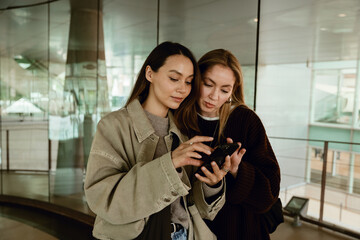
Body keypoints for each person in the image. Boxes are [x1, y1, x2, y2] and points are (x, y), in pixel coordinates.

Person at [84, 42, 230, 240]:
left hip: (183, 234)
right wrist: (170, 163)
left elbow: (193, 205)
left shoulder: (184, 131)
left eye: (188, 82)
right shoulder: (114, 126)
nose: (182, 89)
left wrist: (211, 184)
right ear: (150, 74)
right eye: (174, 78)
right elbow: (102, 198)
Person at [181, 49, 281, 240]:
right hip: (193, 229)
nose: (214, 96)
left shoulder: (245, 120)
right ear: (196, 79)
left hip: (241, 230)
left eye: (224, 90)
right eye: (208, 84)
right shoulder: (181, 117)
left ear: (233, 90)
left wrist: (237, 170)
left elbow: (269, 193)